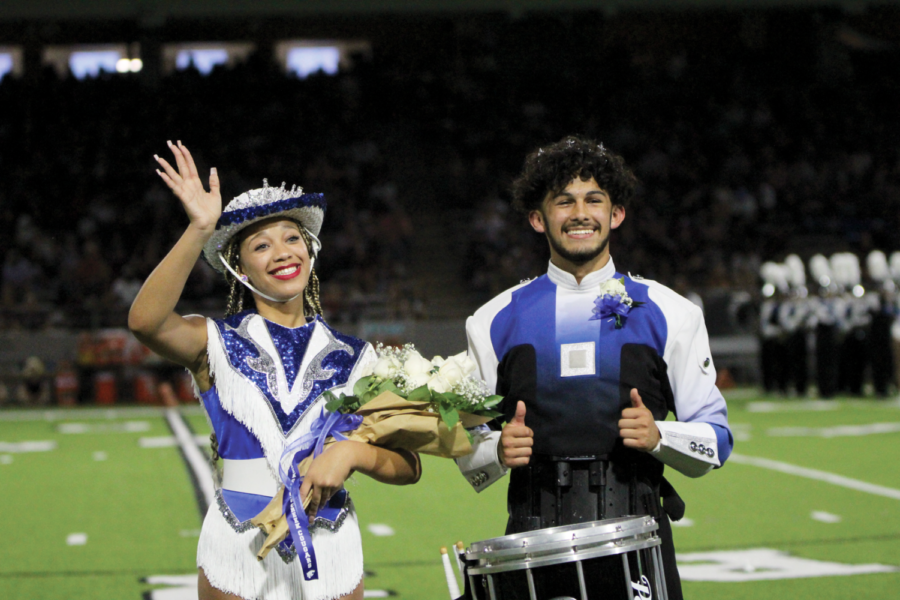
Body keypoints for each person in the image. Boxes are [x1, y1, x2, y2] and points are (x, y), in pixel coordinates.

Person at [128, 141, 420, 600]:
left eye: (292, 238)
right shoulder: (216, 342)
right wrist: (199, 228)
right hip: (239, 542)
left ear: (311, 249)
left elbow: (408, 465)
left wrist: (350, 456)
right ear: (238, 267)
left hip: (331, 541)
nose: (282, 252)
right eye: (261, 245)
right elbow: (145, 322)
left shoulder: (357, 356)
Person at [456, 136, 733, 599]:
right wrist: (497, 450)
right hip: (532, 537)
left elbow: (717, 439)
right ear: (537, 218)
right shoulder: (492, 320)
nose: (579, 213)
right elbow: (468, 443)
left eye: (593, 200)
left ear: (616, 214)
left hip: (639, 537)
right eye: (563, 202)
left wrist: (660, 437)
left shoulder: (672, 311)